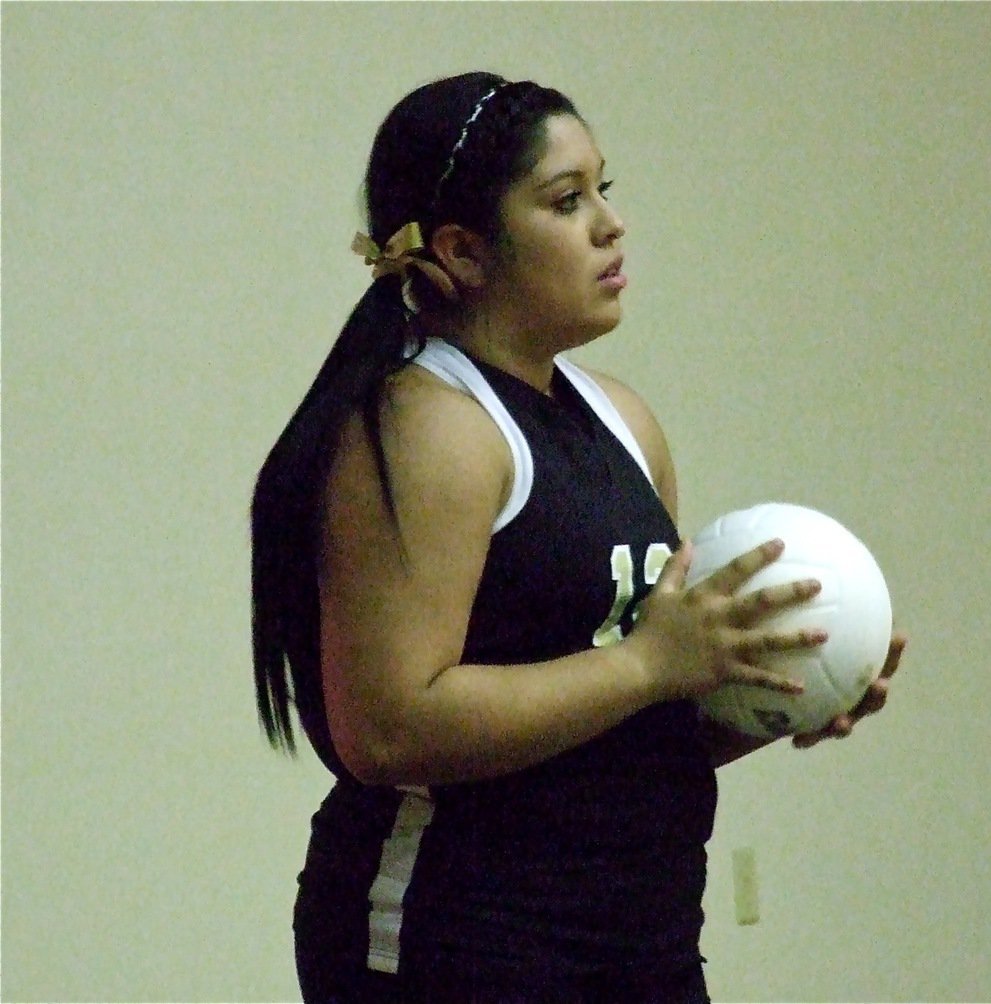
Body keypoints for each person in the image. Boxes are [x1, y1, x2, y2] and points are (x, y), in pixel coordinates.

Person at [251, 71, 904, 1004]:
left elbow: (617, 732)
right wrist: (650, 664)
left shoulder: (625, 422)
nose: (610, 223)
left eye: (606, 188)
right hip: (460, 946)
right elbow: (389, 728)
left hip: (640, 942)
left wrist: (771, 691)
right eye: (566, 200)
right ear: (465, 251)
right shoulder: (430, 424)